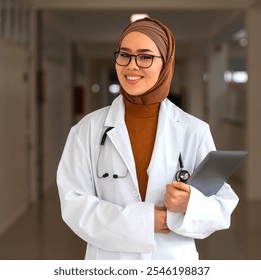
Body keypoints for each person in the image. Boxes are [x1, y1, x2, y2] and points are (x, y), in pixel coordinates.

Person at [56, 17, 239, 260]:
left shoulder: (194, 130)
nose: (132, 66)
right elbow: (74, 205)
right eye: (125, 55)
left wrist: (189, 204)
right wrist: (146, 221)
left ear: (166, 63)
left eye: (145, 56)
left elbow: (222, 207)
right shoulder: (86, 131)